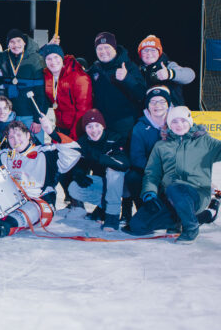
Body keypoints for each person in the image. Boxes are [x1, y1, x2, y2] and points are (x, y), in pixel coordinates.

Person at [125, 106, 221, 243]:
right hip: (170, 196)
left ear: (190, 121)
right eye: (174, 121)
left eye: (183, 120)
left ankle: (191, 229)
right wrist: (150, 194)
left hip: (197, 193)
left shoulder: (205, 142)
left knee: (175, 189)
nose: (179, 125)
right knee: (137, 226)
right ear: (169, 124)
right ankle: (205, 215)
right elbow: (152, 173)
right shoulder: (161, 146)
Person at [0, 29, 46, 142]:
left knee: (35, 148)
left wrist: (38, 120)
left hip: (30, 116)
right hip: (11, 115)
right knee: (14, 146)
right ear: (8, 44)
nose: (16, 45)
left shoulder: (36, 59)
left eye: (19, 41)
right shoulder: (4, 57)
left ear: (24, 42)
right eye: (12, 42)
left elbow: (41, 93)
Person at [68, 109, 130, 231]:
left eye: (97, 125)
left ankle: (112, 216)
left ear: (103, 126)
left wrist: (99, 156)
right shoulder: (83, 142)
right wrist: (79, 174)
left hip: (123, 185)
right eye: (89, 126)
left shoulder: (115, 138)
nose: (94, 130)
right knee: (74, 188)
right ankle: (104, 207)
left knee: (113, 172)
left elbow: (123, 164)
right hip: (103, 183)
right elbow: (77, 163)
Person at [124, 86, 172, 221]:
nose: (157, 106)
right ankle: (145, 210)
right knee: (132, 176)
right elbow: (137, 157)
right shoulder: (140, 127)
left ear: (168, 104)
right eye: (153, 102)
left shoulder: (176, 123)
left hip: (172, 172)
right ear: (148, 106)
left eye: (162, 101)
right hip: (149, 172)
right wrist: (156, 171)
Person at [86, 32, 146, 141]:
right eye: (99, 48)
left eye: (106, 47)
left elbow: (141, 93)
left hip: (125, 125)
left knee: (123, 156)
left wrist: (127, 78)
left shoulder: (128, 66)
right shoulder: (95, 69)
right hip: (102, 125)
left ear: (114, 47)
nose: (103, 51)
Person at [39, 42, 92, 140]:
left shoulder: (79, 77)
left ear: (62, 58)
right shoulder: (47, 76)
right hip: (60, 127)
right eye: (48, 59)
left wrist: (73, 137)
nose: (53, 61)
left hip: (77, 130)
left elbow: (83, 111)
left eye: (56, 57)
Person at [137, 35, 195, 106]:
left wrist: (170, 74)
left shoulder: (168, 65)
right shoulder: (137, 70)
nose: (149, 53)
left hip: (171, 112)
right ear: (140, 54)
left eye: (153, 50)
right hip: (148, 112)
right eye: (145, 50)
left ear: (159, 52)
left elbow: (190, 75)